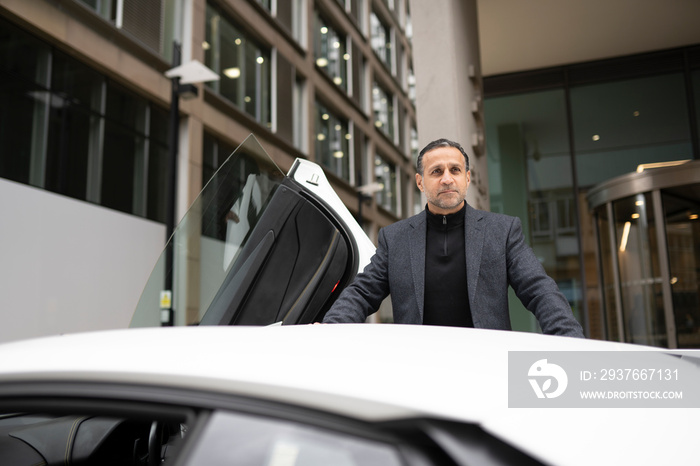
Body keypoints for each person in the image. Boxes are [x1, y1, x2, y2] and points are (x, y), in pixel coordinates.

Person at [322, 138, 585, 337]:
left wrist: (570, 340)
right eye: (436, 172)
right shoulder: (395, 238)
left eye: (455, 170)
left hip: (488, 365)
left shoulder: (502, 231)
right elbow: (362, 292)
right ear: (420, 182)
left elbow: (540, 290)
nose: (447, 179)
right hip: (420, 370)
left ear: (467, 178)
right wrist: (328, 331)